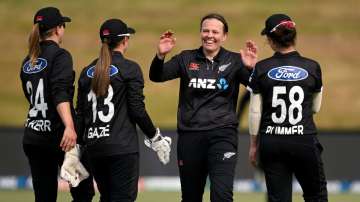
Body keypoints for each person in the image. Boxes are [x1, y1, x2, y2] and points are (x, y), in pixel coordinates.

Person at [149, 13, 257, 202]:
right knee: (191, 197)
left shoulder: (235, 60)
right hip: (190, 137)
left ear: (224, 36)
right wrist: (160, 56)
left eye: (215, 32)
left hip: (223, 136)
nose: (210, 35)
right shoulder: (186, 58)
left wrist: (251, 69)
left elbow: (257, 88)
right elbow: (157, 76)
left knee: (221, 196)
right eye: (205, 30)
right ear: (200, 32)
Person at [76, 18, 172, 202]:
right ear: (125, 40)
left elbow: (81, 114)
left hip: (94, 148)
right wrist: (155, 138)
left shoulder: (87, 71)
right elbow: (137, 109)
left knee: (107, 197)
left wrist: (76, 149)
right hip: (121, 148)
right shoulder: (130, 68)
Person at [247, 14, 328, 202]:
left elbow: (255, 112)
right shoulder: (312, 67)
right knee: (316, 195)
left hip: (272, 142)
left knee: (278, 199)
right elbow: (315, 107)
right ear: (293, 35)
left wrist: (253, 145)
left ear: (270, 39)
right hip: (304, 140)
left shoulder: (261, 68)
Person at [20, 7, 94, 202]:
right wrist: (69, 126)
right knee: (84, 192)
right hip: (61, 138)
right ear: (58, 29)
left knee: (44, 197)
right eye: (63, 25)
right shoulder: (61, 56)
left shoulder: (28, 61)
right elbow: (60, 94)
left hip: (34, 136)